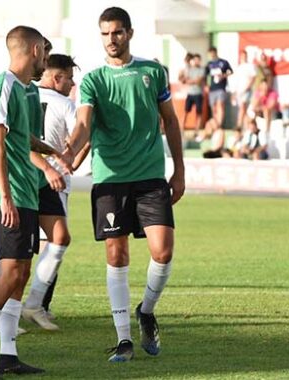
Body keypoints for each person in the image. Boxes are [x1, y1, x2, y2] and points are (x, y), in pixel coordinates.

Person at [65, 7, 185, 362]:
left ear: (129, 33)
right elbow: (84, 124)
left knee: (162, 252)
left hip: (150, 176)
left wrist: (179, 170)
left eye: (117, 33)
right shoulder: (93, 80)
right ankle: (123, 340)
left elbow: (171, 122)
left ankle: (146, 310)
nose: (111, 40)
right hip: (110, 179)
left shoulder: (152, 72)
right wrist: (67, 152)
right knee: (116, 255)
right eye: (105, 34)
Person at [0, 26, 70, 379]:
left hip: (26, 191)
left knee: (18, 274)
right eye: (45, 56)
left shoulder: (27, 90)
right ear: (34, 50)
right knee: (9, 274)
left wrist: (50, 151)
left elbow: (22, 138)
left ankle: (8, 355)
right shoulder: (1, 84)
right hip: (12, 194)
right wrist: (4, 194)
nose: (46, 63)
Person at [19, 53, 88, 330]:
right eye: (70, 78)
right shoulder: (65, 104)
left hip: (23, 176)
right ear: (56, 77)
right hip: (51, 180)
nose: (72, 84)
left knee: (18, 245)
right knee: (53, 243)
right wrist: (70, 164)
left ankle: (21, 308)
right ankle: (37, 305)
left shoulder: (25, 94)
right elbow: (83, 137)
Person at [205, 47, 233, 126]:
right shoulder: (209, 64)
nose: (211, 55)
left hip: (221, 87)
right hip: (212, 88)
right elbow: (205, 75)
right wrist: (206, 86)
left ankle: (220, 124)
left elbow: (230, 71)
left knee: (220, 105)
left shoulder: (223, 62)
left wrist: (223, 75)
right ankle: (215, 124)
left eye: (212, 53)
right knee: (213, 108)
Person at [181, 53, 205, 133]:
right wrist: (192, 81)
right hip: (190, 93)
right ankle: (182, 129)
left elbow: (199, 81)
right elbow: (184, 80)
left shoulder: (202, 69)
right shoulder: (190, 69)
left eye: (198, 60)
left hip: (198, 93)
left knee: (198, 112)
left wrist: (191, 81)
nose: (196, 61)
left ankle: (196, 130)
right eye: (195, 60)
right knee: (186, 111)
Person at [233, 50, 257, 129]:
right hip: (239, 92)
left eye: (244, 56)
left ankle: (239, 125)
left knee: (243, 108)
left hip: (247, 91)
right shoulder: (238, 67)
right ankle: (245, 127)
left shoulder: (250, 66)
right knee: (243, 110)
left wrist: (247, 87)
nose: (243, 57)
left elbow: (253, 78)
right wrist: (235, 93)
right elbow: (236, 81)